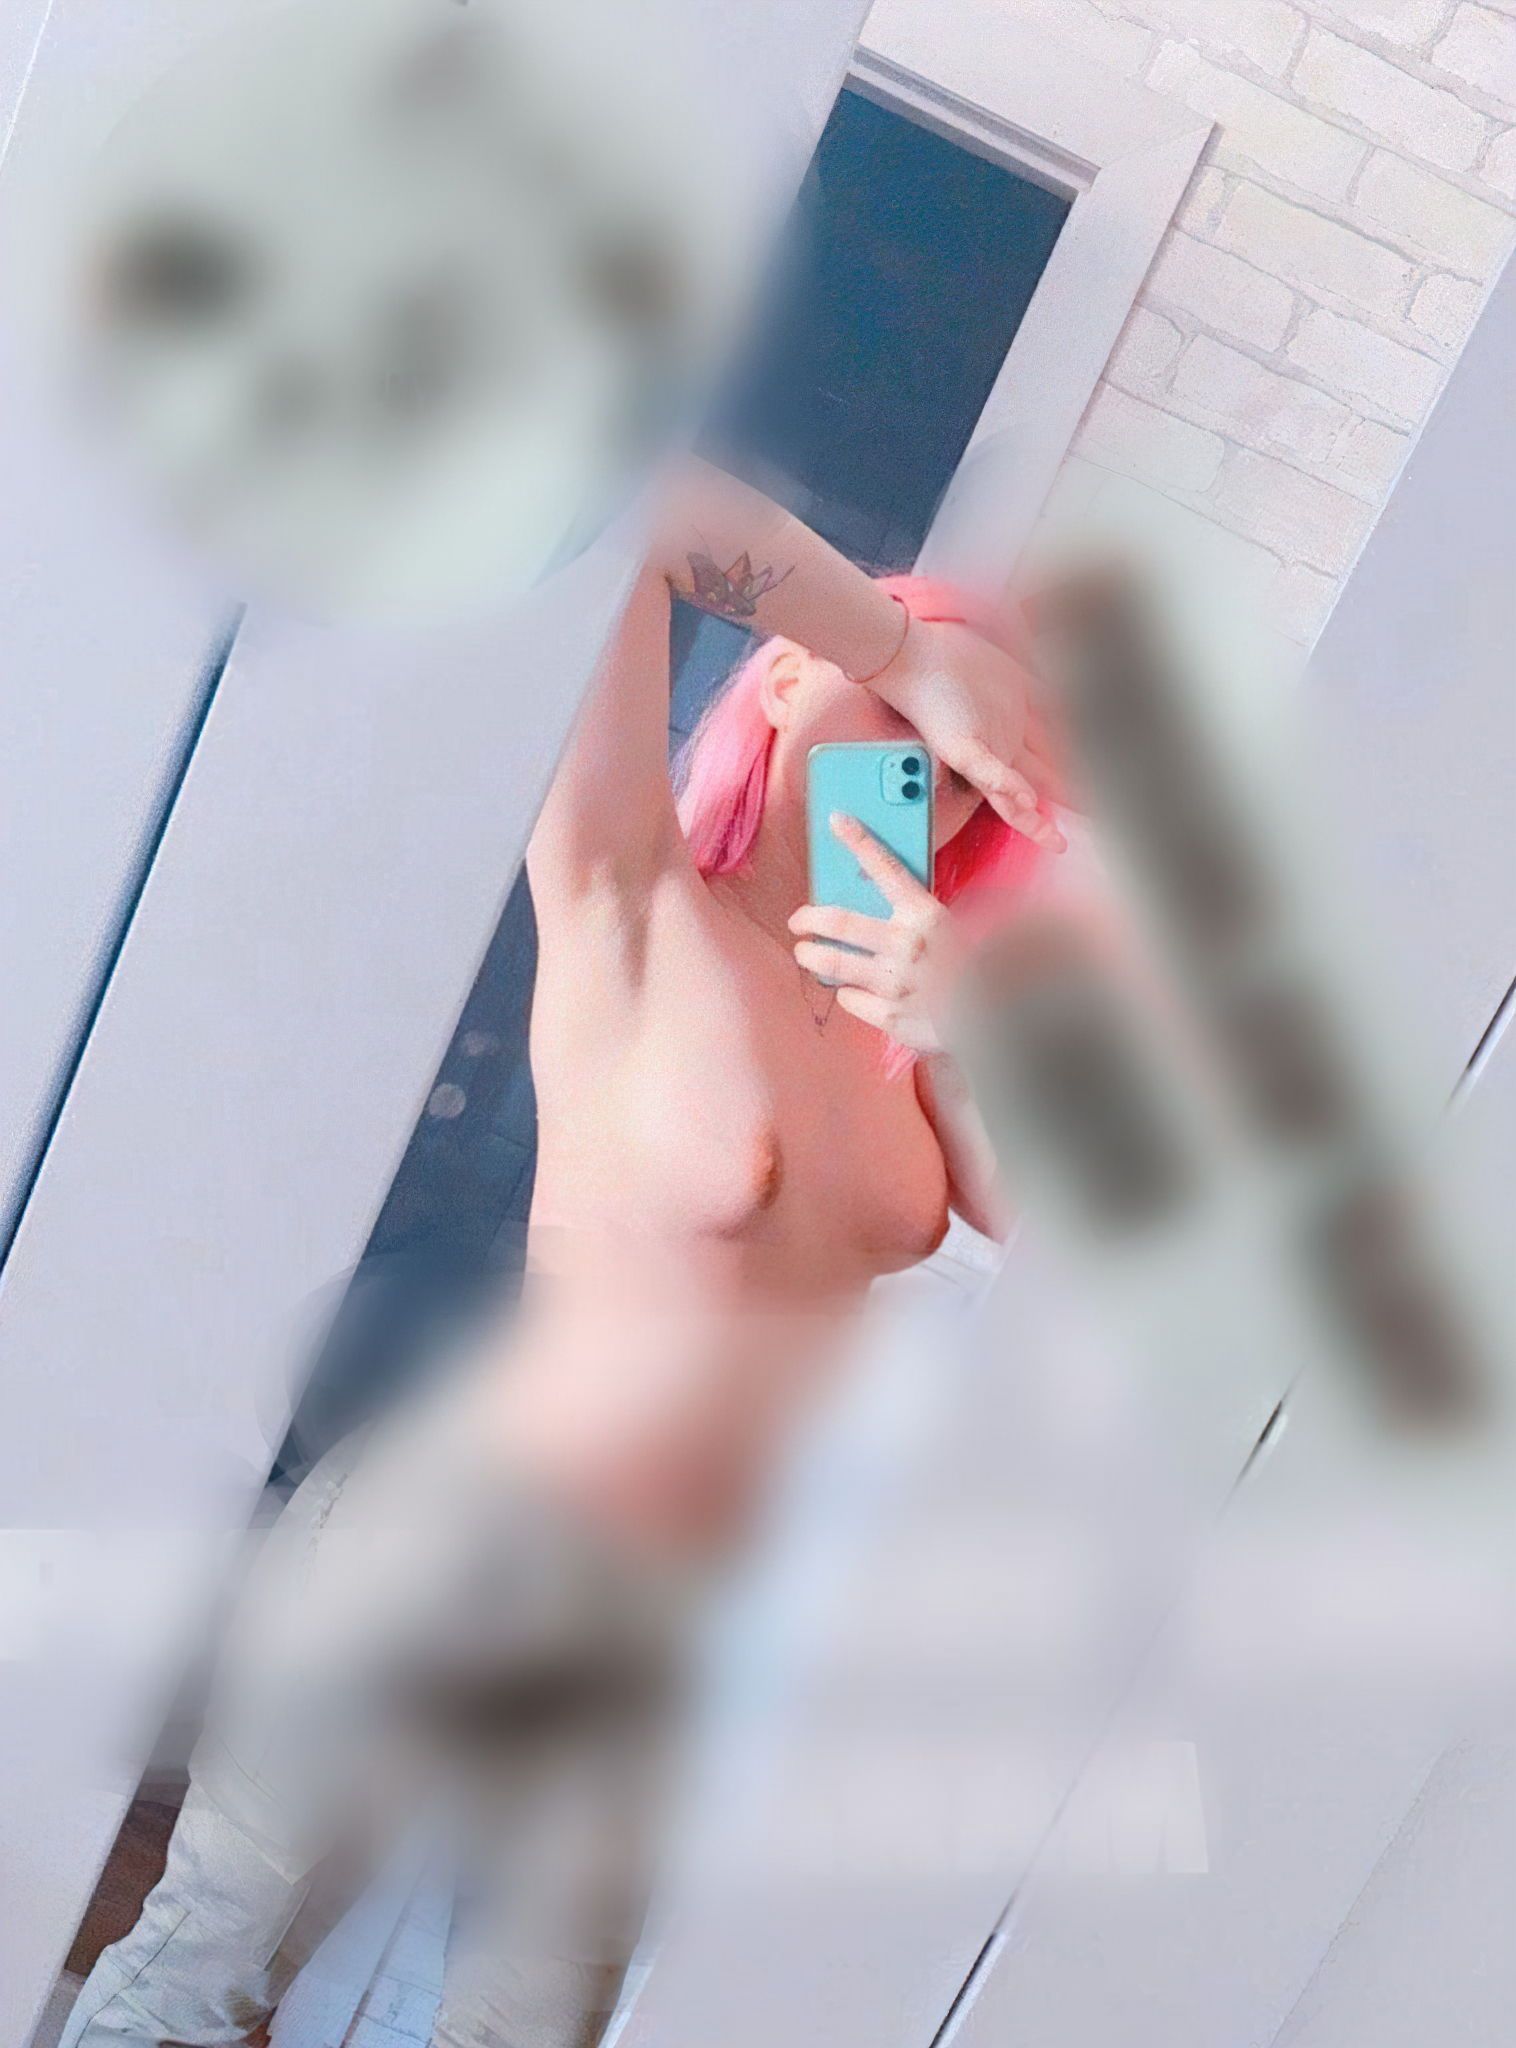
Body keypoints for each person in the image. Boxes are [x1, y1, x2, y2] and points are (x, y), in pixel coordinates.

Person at [59, 460, 1064, 2048]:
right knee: (202, 1968)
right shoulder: (631, 890)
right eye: (900, 727)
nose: (922, 784)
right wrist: (903, 644)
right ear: (786, 678)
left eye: (962, 782)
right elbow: (629, 509)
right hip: (463, 1516)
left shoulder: (913, 1053)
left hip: (658, 1620)